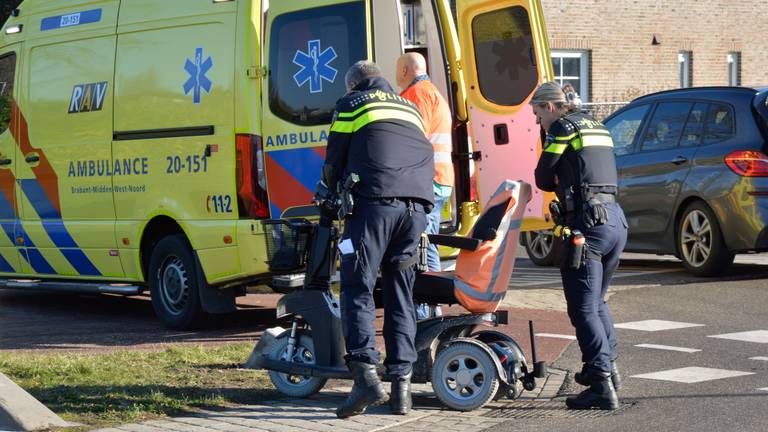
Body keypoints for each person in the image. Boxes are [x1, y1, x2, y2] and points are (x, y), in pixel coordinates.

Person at [323, 60, 434, 418]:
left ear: (353, 84)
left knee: (357, 287)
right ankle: (402, 389)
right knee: (401, 293)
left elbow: (334, 158)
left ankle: (365, 378)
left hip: (374, 207)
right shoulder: (410, 106)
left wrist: (327, 192)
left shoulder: (353, 104)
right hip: (416, 210)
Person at [531, 81, 627, 410]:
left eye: (537, 114)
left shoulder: (561, 127)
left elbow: (543, 177)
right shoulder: (597, 125)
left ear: (550, 106)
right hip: (615, 219)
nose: (538, 122)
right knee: (597, 302)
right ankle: (609, 370)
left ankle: (600, 382)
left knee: (582, 307)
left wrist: (550, 152)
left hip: (588, 223)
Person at [396, 53, 454, 273]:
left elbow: (414, 139)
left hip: (428, 179)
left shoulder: (416, 94)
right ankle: (430, 304)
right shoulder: (432, 91)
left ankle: (429, 306)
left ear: (404, 71)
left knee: (424, 243)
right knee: (429, 241)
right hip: (439, 177)